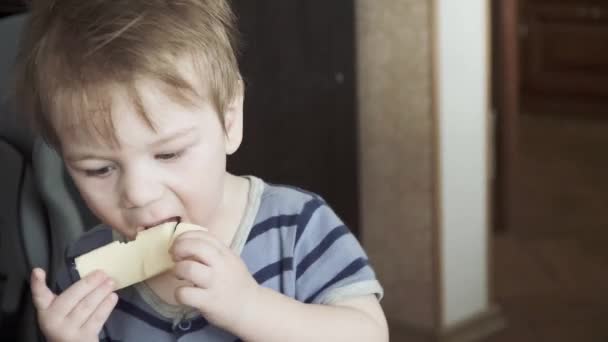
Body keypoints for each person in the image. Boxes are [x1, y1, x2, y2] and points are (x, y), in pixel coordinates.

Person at [13, 0, 388, 341]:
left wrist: (250, 307)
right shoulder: (87, 277)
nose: (139, 193)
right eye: (99, 169)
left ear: (229, 121)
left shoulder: (297, 228)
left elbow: (368, 334)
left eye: (169, 153)